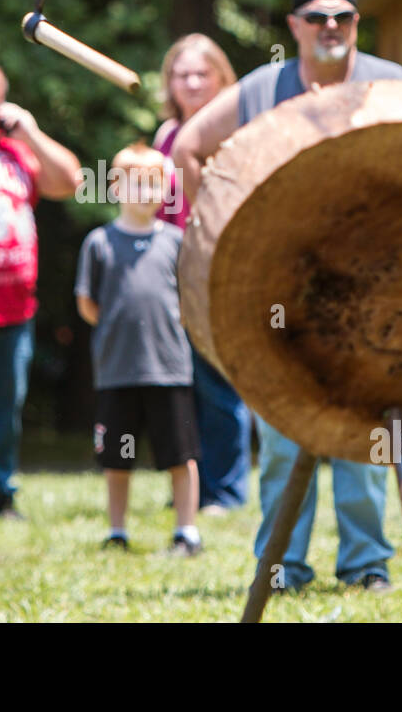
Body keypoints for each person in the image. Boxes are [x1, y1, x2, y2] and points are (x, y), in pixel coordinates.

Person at [173, 0, 402, 592]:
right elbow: (188, 145)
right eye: (317, 17)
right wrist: (221, 227)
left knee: (366, 427)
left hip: (372, 286)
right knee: (283, 430)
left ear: (357, 23)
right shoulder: (264, 88)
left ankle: (367, 565)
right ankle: (283, 564)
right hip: (281, 288)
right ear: (295, 26)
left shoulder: (393, 85)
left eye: (343, 17)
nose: (330, 27)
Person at [0, 59, 83, 519]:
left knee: (1, 411)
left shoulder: (14, 151)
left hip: (13, 310)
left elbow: (70, 181)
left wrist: (28, 129)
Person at [74, 143, 201, 555]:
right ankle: (117, 531)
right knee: (116, 458)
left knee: (180, 456)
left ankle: (187, 531)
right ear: (115, 187)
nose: (146, 193)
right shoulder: (99, 242)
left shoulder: (177, 242)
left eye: (155, 184)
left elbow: (189, 302)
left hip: (169, 369)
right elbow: (87, 304)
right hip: (117, 370)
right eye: (137, 183)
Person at [152, 34, 249, 514]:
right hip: (171, 268)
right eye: (181, 74)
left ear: (221, 78)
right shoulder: (166, 135)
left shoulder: (235, 133)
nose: (190, 82)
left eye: (201, 74)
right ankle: (191, 488)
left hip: (218, 266)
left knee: (218, 380)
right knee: (180, 381)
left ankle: (226, 491)